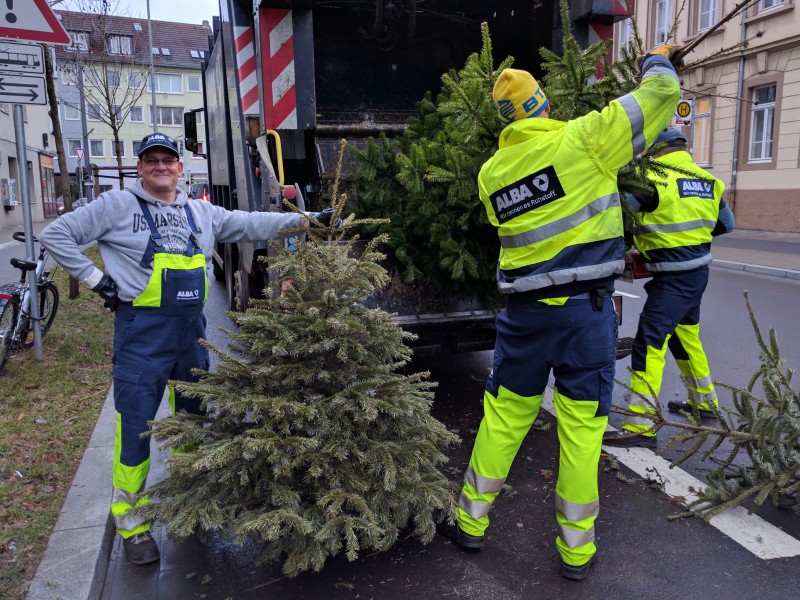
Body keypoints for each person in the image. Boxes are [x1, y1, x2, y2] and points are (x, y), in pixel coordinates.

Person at [440, 46, 682, 581]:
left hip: (524, 320)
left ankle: (469, 525)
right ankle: (576, 555)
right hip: (585, 318)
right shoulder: (586, 139)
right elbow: (662, 96)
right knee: (580, 433)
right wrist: (657, 60)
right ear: (544, 105)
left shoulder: (491, 175)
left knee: (502, 421)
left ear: (506, 121)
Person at [39, 132, 334, 566]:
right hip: (142, 335)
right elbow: (56, 234)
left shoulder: (201, 212)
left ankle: (187, 502)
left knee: (193, 420)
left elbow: (252, 222)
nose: (160, 166)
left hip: (189, 334)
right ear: (140, 167)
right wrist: (98, 281)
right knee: (136, 428)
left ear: (181, 167)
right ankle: (132, 524)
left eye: (168, 160)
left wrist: (307, 219)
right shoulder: (117, 206)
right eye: (151, 160)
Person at [603, 127, 734, 449]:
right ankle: (705, 403)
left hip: (672, 278)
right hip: (697, 272)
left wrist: (647, 241)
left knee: (649, 344)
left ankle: (640, 424)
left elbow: (620, 217)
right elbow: (726, 224)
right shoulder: (709, 181)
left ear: (655, 150)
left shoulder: (651, 180)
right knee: (685, 337)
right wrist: (690, 242)